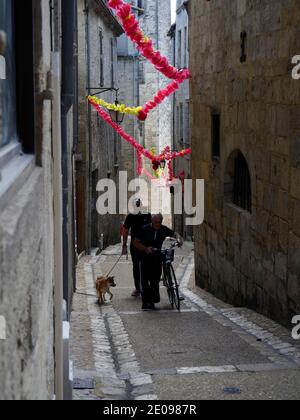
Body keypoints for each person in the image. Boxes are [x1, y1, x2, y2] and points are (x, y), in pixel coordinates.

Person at [133, 214, 183, 311]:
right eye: (156, 222)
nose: (158, 224)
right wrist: (145, 248)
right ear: (152, 221)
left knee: (155, 280)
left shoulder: (163, 229)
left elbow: (174, 234)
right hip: (145, 257)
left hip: (157, 257)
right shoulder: (144, 229)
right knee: (144, 280)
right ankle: (145, 302)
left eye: (159, 222)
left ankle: (151, 301)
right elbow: (135, 242)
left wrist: (179, 239)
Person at [122, 199, 152, 297]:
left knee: (147, 265)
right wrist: (124, 246)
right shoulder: (130, 217)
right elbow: (125, 231)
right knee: (136, 267)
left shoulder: (147, 215)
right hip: (135, 246)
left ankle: (146, 286)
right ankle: (138, 288)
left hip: (146, 245)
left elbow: (152, 228)